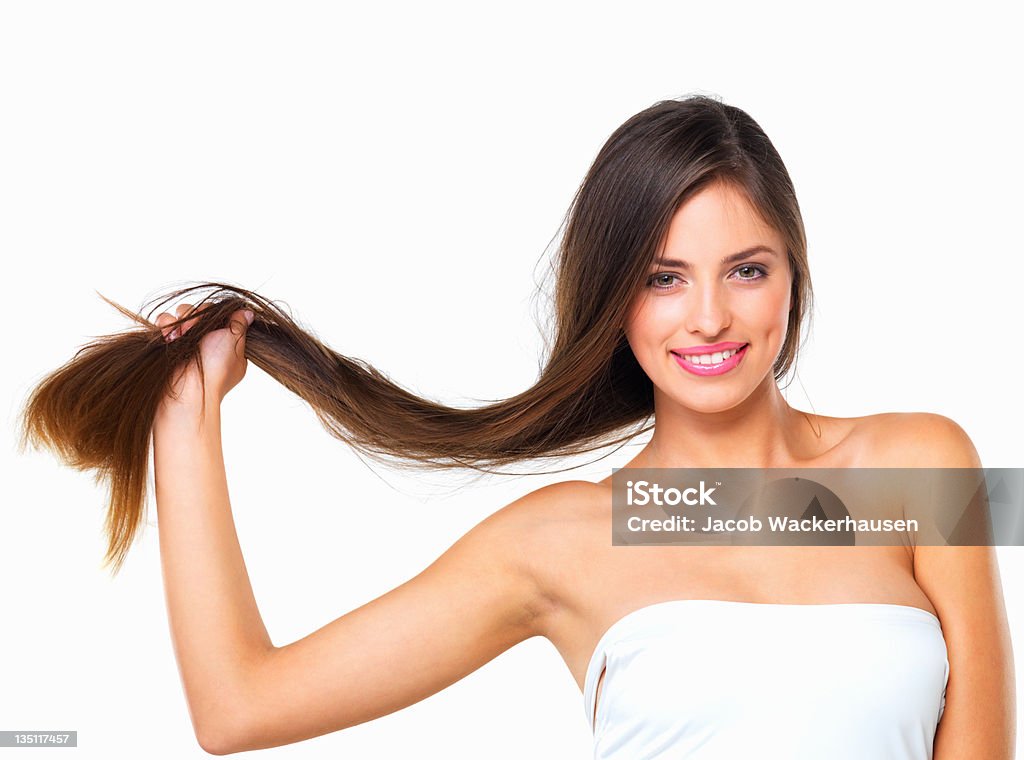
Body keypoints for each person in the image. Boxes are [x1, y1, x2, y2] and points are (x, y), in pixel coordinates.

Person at [143, 96, 1013, 758]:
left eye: (746, 270)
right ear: (613, 298)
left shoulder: (918, 466)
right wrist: (185, 423)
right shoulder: (563, 539)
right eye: (663, 278)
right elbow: (238, 708)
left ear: (794, 275)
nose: (708, 317)